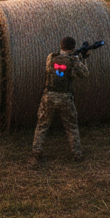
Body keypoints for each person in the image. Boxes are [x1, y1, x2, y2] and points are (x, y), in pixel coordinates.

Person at [30, 36, 90, 166]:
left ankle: (36, 152)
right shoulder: (73, 60)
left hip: (49, 96)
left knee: (42, 125)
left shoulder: (51, 57)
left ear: (61, 45)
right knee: (71, 126)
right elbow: (84, 74)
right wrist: (83, 58)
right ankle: (77, 154)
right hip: (65, 98)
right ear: (73, 47)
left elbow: (51, 70)